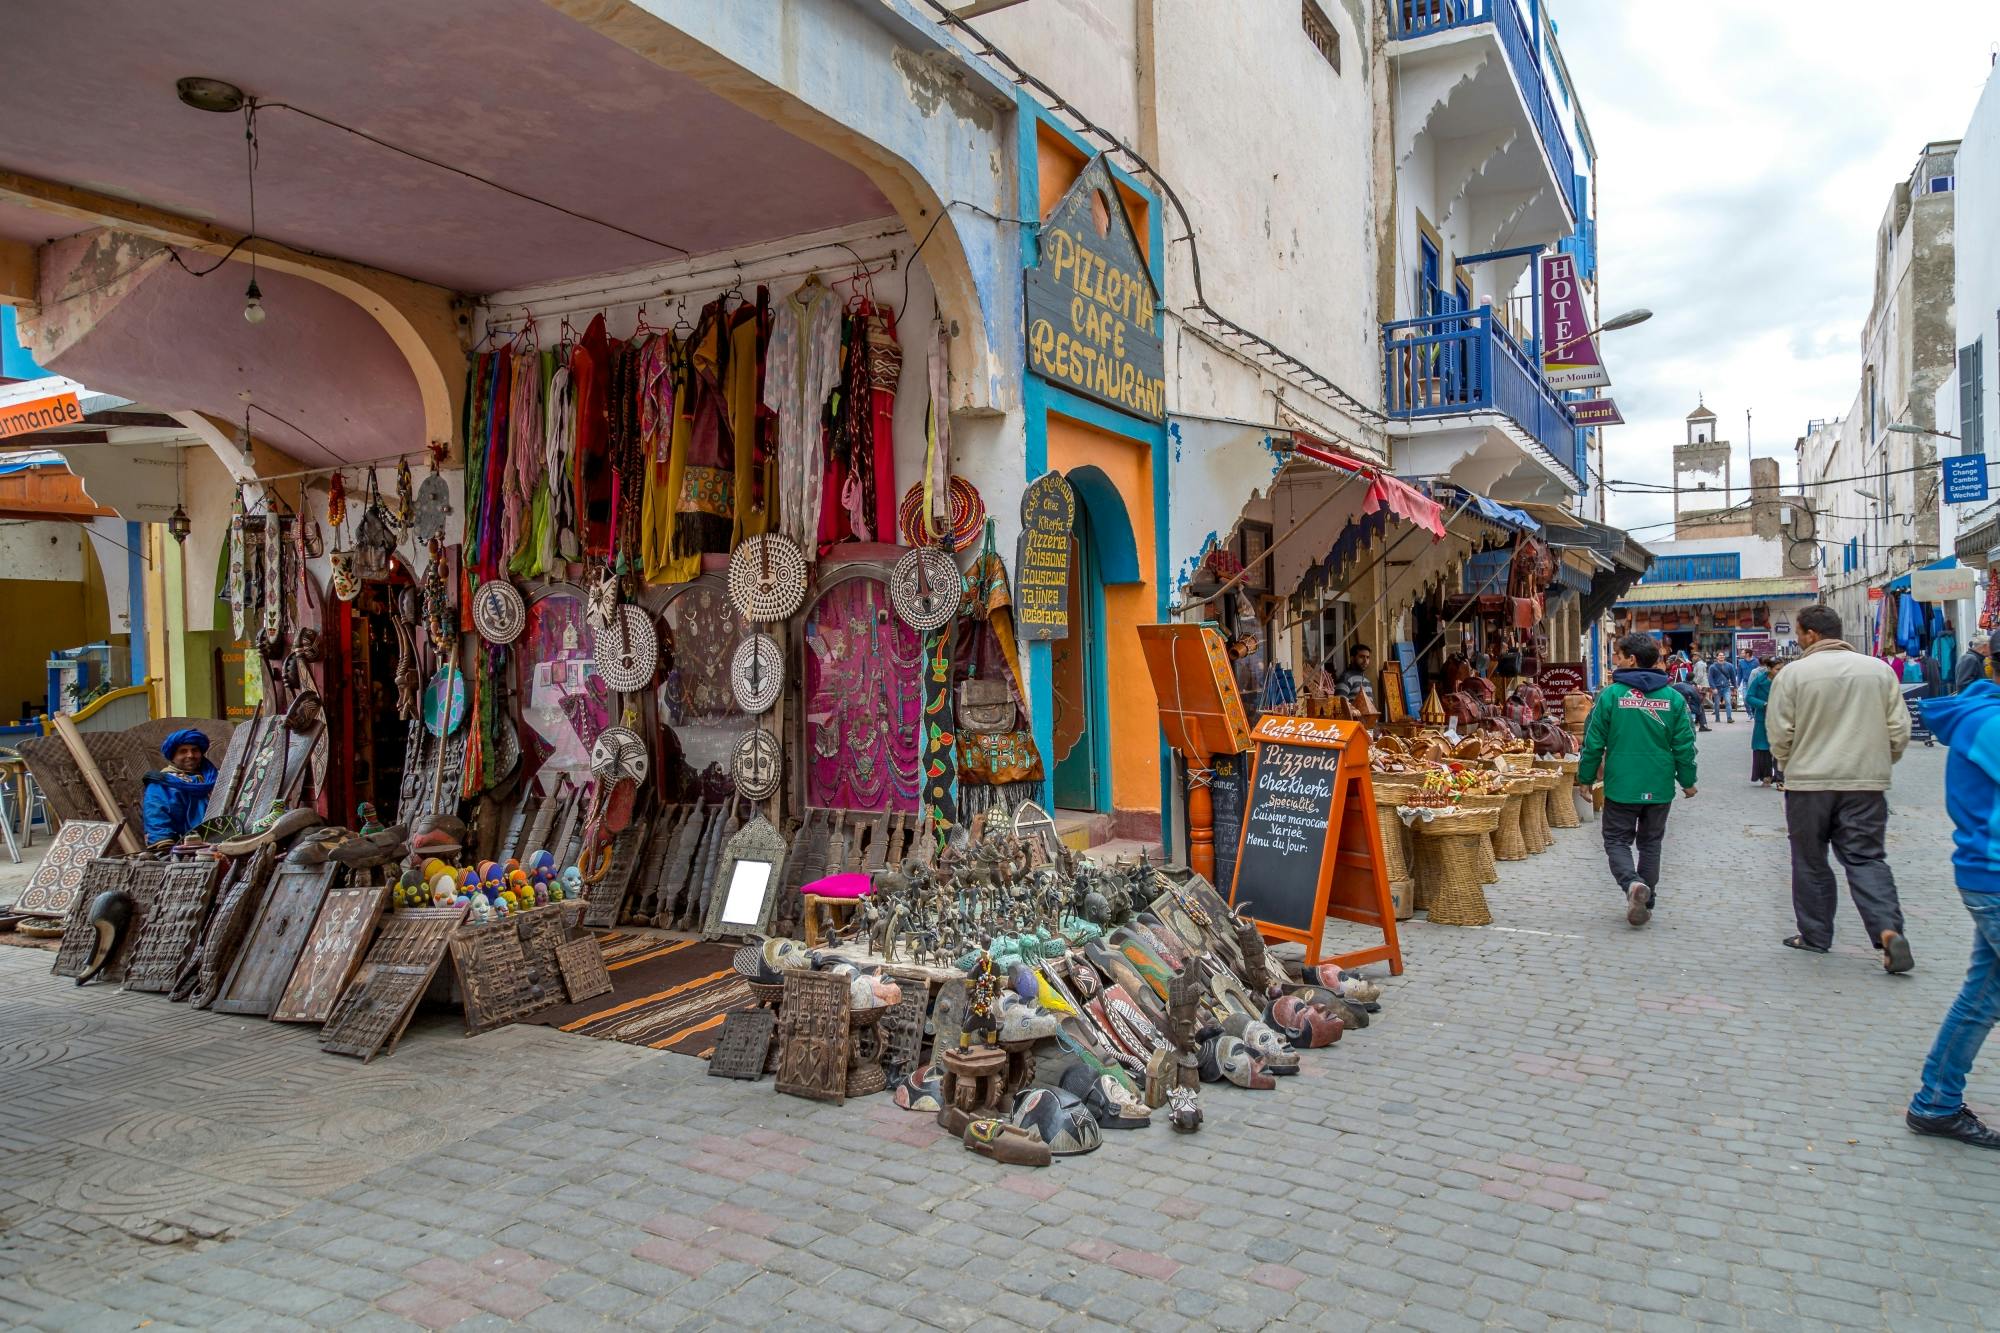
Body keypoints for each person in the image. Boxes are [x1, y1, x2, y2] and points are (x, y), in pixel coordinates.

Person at [1767, 604, 1914, 971]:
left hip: (1809, 784)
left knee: (1810, 859)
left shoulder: (1793, 675)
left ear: (1811, 635)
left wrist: (1789, 762)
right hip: (1865, 783)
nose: (1797, 641)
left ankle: (1815, 935)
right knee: (1866, 858)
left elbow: (1780, 732)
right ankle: (1887, 932)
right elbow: (1899, 730)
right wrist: (1879, 761)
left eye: (1799, 634)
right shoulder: (1879, 671)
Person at [1906, 679, 2000, 1148]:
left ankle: (1937, 1102)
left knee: (1983, 998)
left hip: (1985, 873)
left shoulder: (1980, 717)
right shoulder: (1991, 723)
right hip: (1993, 875)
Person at [1576, 632, 1699, 928]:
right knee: (1651, 843)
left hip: (1622, 784)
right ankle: (1648, 896)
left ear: (1631, 659)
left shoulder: (1611, 696)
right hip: (1658, 785)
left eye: (1618, 655)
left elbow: (1593, 742)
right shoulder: (1673, 698)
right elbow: (1685, 744)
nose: (1616, 660)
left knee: (1616, 840)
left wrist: (1586, 777)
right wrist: (1688, 780)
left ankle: (1632, 884)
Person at [141, 727, 217, 845]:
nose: (190, 755)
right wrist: (166, 847)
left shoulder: (214, 778)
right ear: (172, 756)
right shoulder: (161, 784)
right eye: (183, 751)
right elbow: (156, 818)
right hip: (185, 847)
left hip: (221, 839)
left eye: (195, 750)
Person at [1745, 656, 1785, 787]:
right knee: (1762, 748)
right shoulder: (1759, 680)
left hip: (1782, 717)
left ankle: (1780, 779)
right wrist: (1764, 704)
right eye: (1777, 669)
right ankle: (1765, 775)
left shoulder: (1786, 680)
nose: (1780, 671)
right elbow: (1749, 697)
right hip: (1763, 718)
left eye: (1782, 668)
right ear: (1769, 668)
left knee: (1780, 747)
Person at [1710, 651, 1737, 724]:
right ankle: (1717, 718)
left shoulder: (1729, 666)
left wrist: (1735, 687)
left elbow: (1733, 677)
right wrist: (1713, 688)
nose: (1721, 657)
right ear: (1717, 657)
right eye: (1720, 655)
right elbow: (1710, 678)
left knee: (1728, 702)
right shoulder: (1712, 667)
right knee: (1717, 703)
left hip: (1726, 687)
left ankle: (1729, 718)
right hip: (1717, 687)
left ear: (1724, 657)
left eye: (1723, 655)